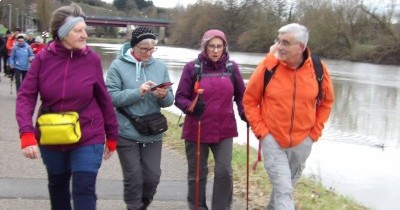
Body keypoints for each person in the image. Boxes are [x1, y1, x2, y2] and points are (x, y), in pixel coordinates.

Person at [15, 3, 118, 210]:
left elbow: (104, 98)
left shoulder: (92, 60)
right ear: (62, 33)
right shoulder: (43, 59)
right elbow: (26, 96)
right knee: (58, 186)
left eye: (84, 30)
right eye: (78, 31)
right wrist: (26, 133)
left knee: (84, 188)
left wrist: (112, 135)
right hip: (52, 133)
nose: (84, 35)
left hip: (89, 133)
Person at [243, 23, 334, 209]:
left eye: (285, 43)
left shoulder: (318, 69)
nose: (279, 47)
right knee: (284, 191)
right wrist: (263, 135)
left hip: (303, 143)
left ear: (300, 47)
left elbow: (326, 103)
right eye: (278, 41)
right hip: (273, 141)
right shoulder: (269, 67)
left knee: (282, 190)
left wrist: (313, 134)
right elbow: (250, 101)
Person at [174, 29, 246, 210]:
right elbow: (180, 97)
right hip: (197, 127)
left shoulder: (231, 68)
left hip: (224, 129)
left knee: (224, 172)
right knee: (197, 174)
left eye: (219, 46)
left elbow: (241, 95)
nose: (215, 51)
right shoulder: (193, 68)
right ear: (205, 47)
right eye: (211, 46)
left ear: (224, 47)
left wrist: (246, 114)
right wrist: (191, 106)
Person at [106, 26, 174, 210]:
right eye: (144, 49)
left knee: (152, 178)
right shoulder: (117, 66)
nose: (148, 53)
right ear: (134, 46)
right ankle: (134, 207)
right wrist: (138, 92)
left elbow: (169, 100)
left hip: (153, 131)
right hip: (126, 130)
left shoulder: (160, 66)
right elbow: (111, 97)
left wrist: (162, 95)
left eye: (152, 49)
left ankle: (141, 206)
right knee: (134, 178)